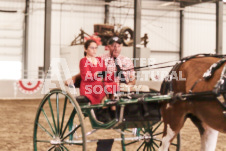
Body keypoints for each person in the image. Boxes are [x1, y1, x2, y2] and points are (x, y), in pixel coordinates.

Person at [79, 39, 117, 105]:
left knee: (113, 84)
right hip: (88, 86)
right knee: (101, 85)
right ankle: (104, 105)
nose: (94, 50)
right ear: (85, 49)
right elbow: (86, 77)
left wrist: (113, 75)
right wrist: (97, 75)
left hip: (99, 83)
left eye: (96, 48)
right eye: (92, 48)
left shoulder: (100, 60)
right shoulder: (83, 61)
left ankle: (111, 104)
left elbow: (105, 74)